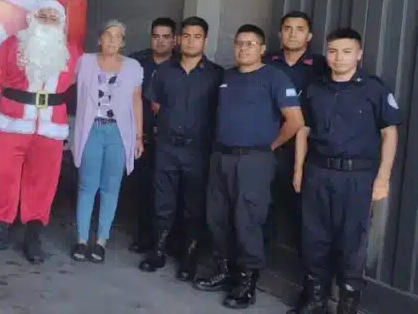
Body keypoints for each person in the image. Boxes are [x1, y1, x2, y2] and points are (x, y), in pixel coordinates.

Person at [194, 24, 304, 309]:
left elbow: (294, 121)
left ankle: (246, 282)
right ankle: (224, 270)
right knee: (217, 217)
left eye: (250, 44)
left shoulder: (274, 78)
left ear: (263, 48)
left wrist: (270, 146)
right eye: (239, 43)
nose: (243, 48)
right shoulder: (226, 77)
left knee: (248, 221)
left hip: (254, 160)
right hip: (221, 157)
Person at [290, 28, 399, 314]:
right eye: (333, 51)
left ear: (359, 55)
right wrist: (299, 170)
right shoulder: (315, 89)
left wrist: (383, 177)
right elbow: (303, 130)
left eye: (346, 51)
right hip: (317, 172)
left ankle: (347, 304)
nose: (338, 58)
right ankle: (315, 299)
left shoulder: (374, 89)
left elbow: (389, 134)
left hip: (357, 177)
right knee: (314, 237)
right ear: (326, 53)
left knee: (352, 241)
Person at [0, 0, 81, 264]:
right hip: (11, 122)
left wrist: (78, 124)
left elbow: (82, 90)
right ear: (32, 18)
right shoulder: (12, 45)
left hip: (50, 129)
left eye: (52, 17)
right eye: (42, 14)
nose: (46, 19)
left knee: (43, 182)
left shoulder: (72, 52)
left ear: (61, 23)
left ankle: (33, 236)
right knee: (3, 177)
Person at [139, 16, 222, 281]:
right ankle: (158, 251)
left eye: (197, 36)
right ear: (178, 39)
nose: (191, 41)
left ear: (205, 41)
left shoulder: (216, 75)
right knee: (162, 202)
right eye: (186, 36)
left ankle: (189, 258)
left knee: (193, 206)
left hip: (198, 150)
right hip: (166, 147)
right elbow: (155, 106)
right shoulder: (163, 72)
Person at [70, 20, 143, 263]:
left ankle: (101, 241)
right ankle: (81, 240)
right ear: (99, 38)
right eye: (107, 35)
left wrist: (138, 136)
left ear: (123, 42)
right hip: (92, 130)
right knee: (86, 186)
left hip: (117, 133)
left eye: (117, 37)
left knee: (110, 188)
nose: (112, 41)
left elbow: (136, 102)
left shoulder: (133, 67)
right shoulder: (85, 62)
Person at [265, 11, 327, 252]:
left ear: (309, 36)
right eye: (287, 28)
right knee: (261, 207)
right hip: (269, 146)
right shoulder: (267, 62)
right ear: (280, 34)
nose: (292, 34)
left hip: (306, 151)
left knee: (305, 212)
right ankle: (254, 268)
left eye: (299, 29)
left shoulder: (321, 66)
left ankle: (308, 280)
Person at [128, 17, 177, 255]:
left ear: (174, 40)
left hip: (169, 140)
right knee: (142, 190)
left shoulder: (180, 66)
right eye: (156, 36)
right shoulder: (137, 62)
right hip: (140, 136)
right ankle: (143, 236)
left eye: (166, 36)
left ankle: (166, 241)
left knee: (167, 193)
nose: (160, 41)